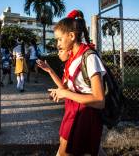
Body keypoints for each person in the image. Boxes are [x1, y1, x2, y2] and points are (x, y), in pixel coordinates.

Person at [37, 9, 106, 156]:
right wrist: (50, 71)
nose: (57, 44)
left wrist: (65, 93)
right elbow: (65, 89)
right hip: (73, 112)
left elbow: (100, 100)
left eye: (59, 39)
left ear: (72, 36)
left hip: (85, 115)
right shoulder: (73, 59)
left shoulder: (89, 57)